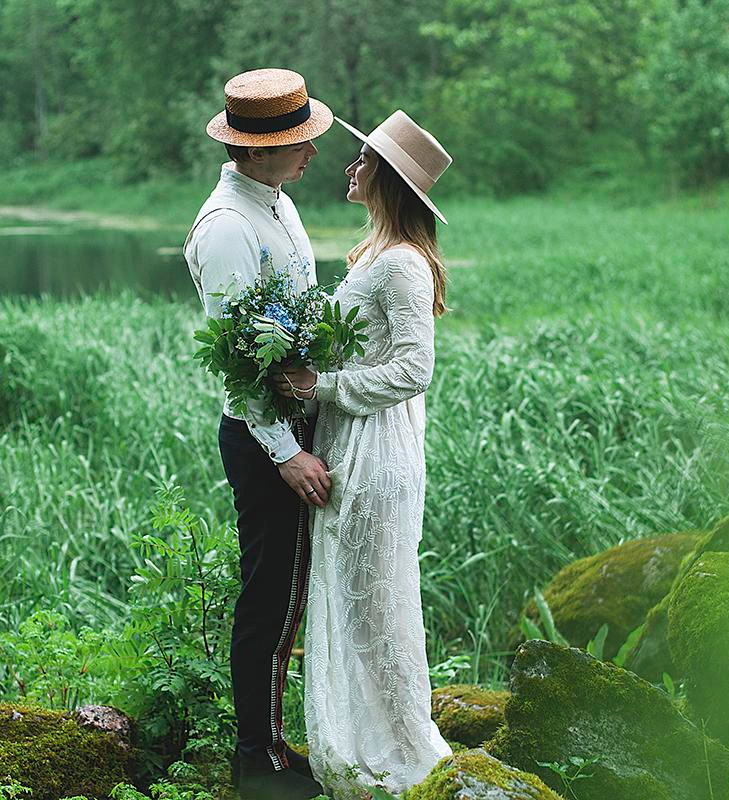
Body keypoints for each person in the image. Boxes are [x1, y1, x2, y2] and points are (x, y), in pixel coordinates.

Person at [276, 110, 454, 796]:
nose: (350, 169)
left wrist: (325, 385)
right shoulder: (374, 254)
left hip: (377, 452)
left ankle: (401, 752)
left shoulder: (404, 264)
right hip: (351, 440)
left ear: (384, 179)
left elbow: (414, 368)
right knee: (354, 599)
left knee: (376, 602)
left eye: (362, 162)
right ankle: (358, 741)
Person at [182, 68, 333, 800]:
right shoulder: (228, 230)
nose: (312, 153)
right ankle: (257, 762)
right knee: (267, 598)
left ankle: (272, 746)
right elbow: (239, 364)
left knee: (288, 595)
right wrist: (287, 454)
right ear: (254, 150)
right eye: (297, 143)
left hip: (295, 425)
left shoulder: (277, 202)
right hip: (262, 439)